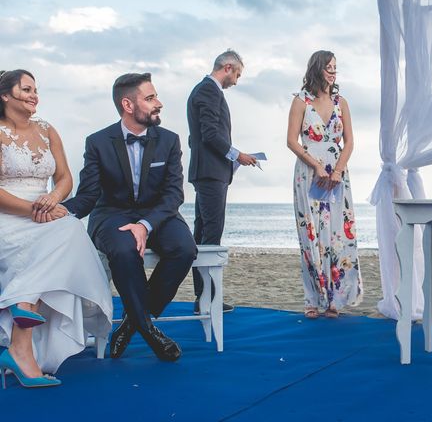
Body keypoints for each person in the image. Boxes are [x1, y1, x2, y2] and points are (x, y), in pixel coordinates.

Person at [63, 73, 196, 362]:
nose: (158, 103)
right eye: (150, 98)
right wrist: (58, 210)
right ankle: (149, 330)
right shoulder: (98, 142)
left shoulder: (169, 141)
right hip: (111, 214)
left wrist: (145, 225)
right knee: (124, 250)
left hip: (158, 214)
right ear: (127, 104)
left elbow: (174, 195)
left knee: (185, 249)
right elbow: (87, 196)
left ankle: (133, 321)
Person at [0, 69, 112, 388]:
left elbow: (64, 177)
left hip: (45, 210)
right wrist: (33, 210)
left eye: (36, 89)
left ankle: (21, 328)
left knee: (69, 228)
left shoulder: (48, 130)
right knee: (61, 235)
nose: (35, 94)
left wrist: (52, 198)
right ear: (5, 96)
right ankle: (21, 344)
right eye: (26, 89)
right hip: (9, 215)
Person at [286, 50, 362, 319]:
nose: (332, 72)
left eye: (335, 68)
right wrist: (316, 165)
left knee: (336, 235)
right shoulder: (301, 101)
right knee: (311, 237)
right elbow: (292, 141)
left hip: (337, 175)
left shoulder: (342, 102)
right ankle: (312, 300)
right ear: (317, 69)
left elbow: (349, 141)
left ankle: (334, 300)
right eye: (328, 68)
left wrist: (337, 170)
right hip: (308, 174)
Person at [187, 50, 256, 314]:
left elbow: (205, 135)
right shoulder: (209, 90)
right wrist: (237, 155)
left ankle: (204, 296)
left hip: (209, 171)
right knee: (211, 235)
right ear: (227, 67)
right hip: (210, 173)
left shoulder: (206, 91)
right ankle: (207, 298)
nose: (236, 81)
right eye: (237, 74)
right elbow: (209, 134)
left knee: (204, 233)